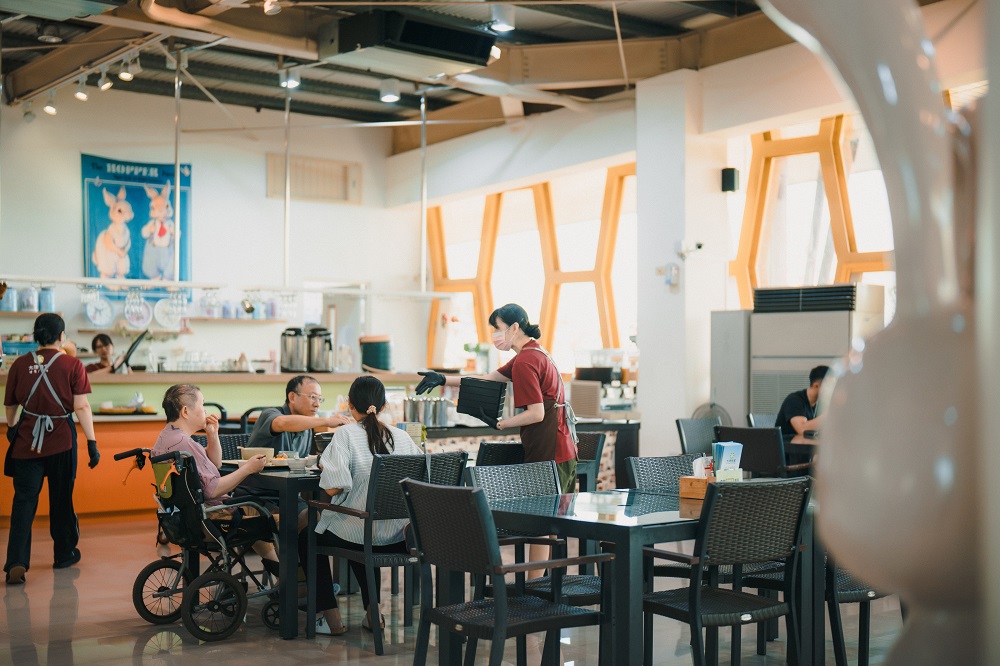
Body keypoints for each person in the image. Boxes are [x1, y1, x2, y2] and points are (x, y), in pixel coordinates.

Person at [416, 303, 578, 492]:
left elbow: (536, 414)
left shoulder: (525, 362)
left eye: (498, 328)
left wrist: (500, 424)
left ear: (515, 328)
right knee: (557, 517)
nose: (494, 334)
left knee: (545, 518)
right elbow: (487, 379)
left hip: (551, 454)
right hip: (563, 450)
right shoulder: (534, 352)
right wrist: (443, 379)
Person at [305, 375, 422, 635]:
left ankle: (331, 619)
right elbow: (420, 481)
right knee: (358, 527)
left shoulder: (345, 434)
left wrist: (326, 466)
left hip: (362, 531)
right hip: (397, 536)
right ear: (383, 406)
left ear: (349, 404)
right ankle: (373, 614)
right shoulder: (402, 437)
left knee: (308, 536)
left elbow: (333, 487)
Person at [3, 313, 101, 585]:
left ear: (35, 335)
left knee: (23, 502)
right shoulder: (72, 364)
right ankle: (64, 553)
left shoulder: (20, 365)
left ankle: (16, 561)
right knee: (61, 499)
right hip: (61, 441)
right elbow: (81, 406)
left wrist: (13, 427)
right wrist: (92, 442)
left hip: (26, 443)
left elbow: (10, 406)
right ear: (61, 336)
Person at [150, 384, 277, 565]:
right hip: (213, 518)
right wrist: (248, 468)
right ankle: (288, 578)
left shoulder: (168, 438)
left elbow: (214, 464)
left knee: (254, 515)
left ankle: (278, 571)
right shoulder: (185, 444)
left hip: (184, 518)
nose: (205, 411)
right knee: (274, 517)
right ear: (186, 411)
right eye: (202, 405)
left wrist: (212, 435)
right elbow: (213, 490)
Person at [243, 375, 352, 529]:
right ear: (292, 397)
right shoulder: (270, 414)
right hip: (257, 494)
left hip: (287, 494)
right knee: (286, 519)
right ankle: (278, 552)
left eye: (320, 399)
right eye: (312, 397)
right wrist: (326, 420)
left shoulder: (307, 425)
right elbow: (282, 423)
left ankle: (297, 554)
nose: (317, 404)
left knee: (313, 516)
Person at [774, 365, 830, 437]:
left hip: (807, 446)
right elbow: (802, 429)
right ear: (816, 385)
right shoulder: (794, 400)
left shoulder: (820, 404)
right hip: (788, 447)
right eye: (830, 385)